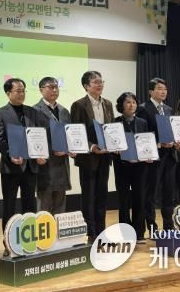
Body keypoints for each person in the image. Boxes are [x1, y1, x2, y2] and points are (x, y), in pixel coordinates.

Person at [0, 78, 48, 255]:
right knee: (9, 207)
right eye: (18, 91)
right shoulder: (0, 113)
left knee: (30, 205)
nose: (22, 94)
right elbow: (0, 139)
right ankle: (8, 244)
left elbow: (39, 136)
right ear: (8, 93)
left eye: (23, 90)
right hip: (11, 167)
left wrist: (41, 154)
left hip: (30, 167)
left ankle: (29, 242)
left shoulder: (32, 112)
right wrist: (10, 154)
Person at [70, 71, 114, 242]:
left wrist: (114, 144)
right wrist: (91, 146)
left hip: (105, 157)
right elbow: (76, 131)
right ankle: (91, 233)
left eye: (101, 81)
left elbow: (111, 128)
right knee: (89, 196)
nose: (100, 84)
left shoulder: (108, 104)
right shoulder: (78, 105)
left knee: (102, 196)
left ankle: (102, 233)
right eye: (95, 82)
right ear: (86, 86)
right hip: (88, 158)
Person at [136, 77, 176, 231]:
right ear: (150, 91)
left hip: (170, 156)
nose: (163, 92)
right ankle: (152, 226)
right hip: (153, 157)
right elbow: (142, 133)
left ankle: (168, 225)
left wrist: (176, 141)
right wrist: (159, 143)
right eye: (159, 89)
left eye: (165, 89)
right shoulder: (143, 108)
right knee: (151, 192)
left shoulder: (169, 109)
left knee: (169, 192)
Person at [113, 92, 151, 242]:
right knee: (123, 200)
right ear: (121, 105)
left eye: (134, 102)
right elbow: (112, 143)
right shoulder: (115, 122)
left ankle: (139, 233)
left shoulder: (142, 122)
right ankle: (124, 233)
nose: (131, 105)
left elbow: (146, 142)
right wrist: (114, 149)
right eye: (128, 102)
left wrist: (149, 155)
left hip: (140, 167)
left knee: (139, 198)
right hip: (121, 166)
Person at [32, 76, 71, 215]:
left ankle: (58, 230)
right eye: (50, 87)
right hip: (45, 164)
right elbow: (33, 138)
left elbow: (69, 135)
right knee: (44, 208)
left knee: (60, 207)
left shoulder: (64, 111)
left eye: (56, 87)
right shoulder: (34, 111)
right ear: (41, 90)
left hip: (61, 164)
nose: (54, 90)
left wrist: (71, 149)